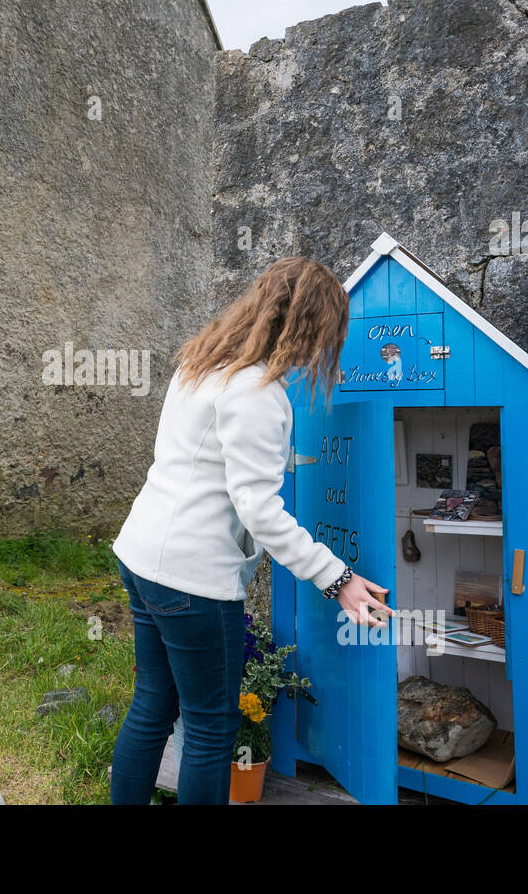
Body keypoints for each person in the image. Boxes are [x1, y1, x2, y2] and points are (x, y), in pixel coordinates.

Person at [109, 256, 393, 805]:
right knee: (212, 730)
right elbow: (258, 510)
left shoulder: (202, 364)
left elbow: (208, 463)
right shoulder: (258, 394)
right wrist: (338, 579)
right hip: (193, 581)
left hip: (143, 556)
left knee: (152, 704)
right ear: (312, 328)